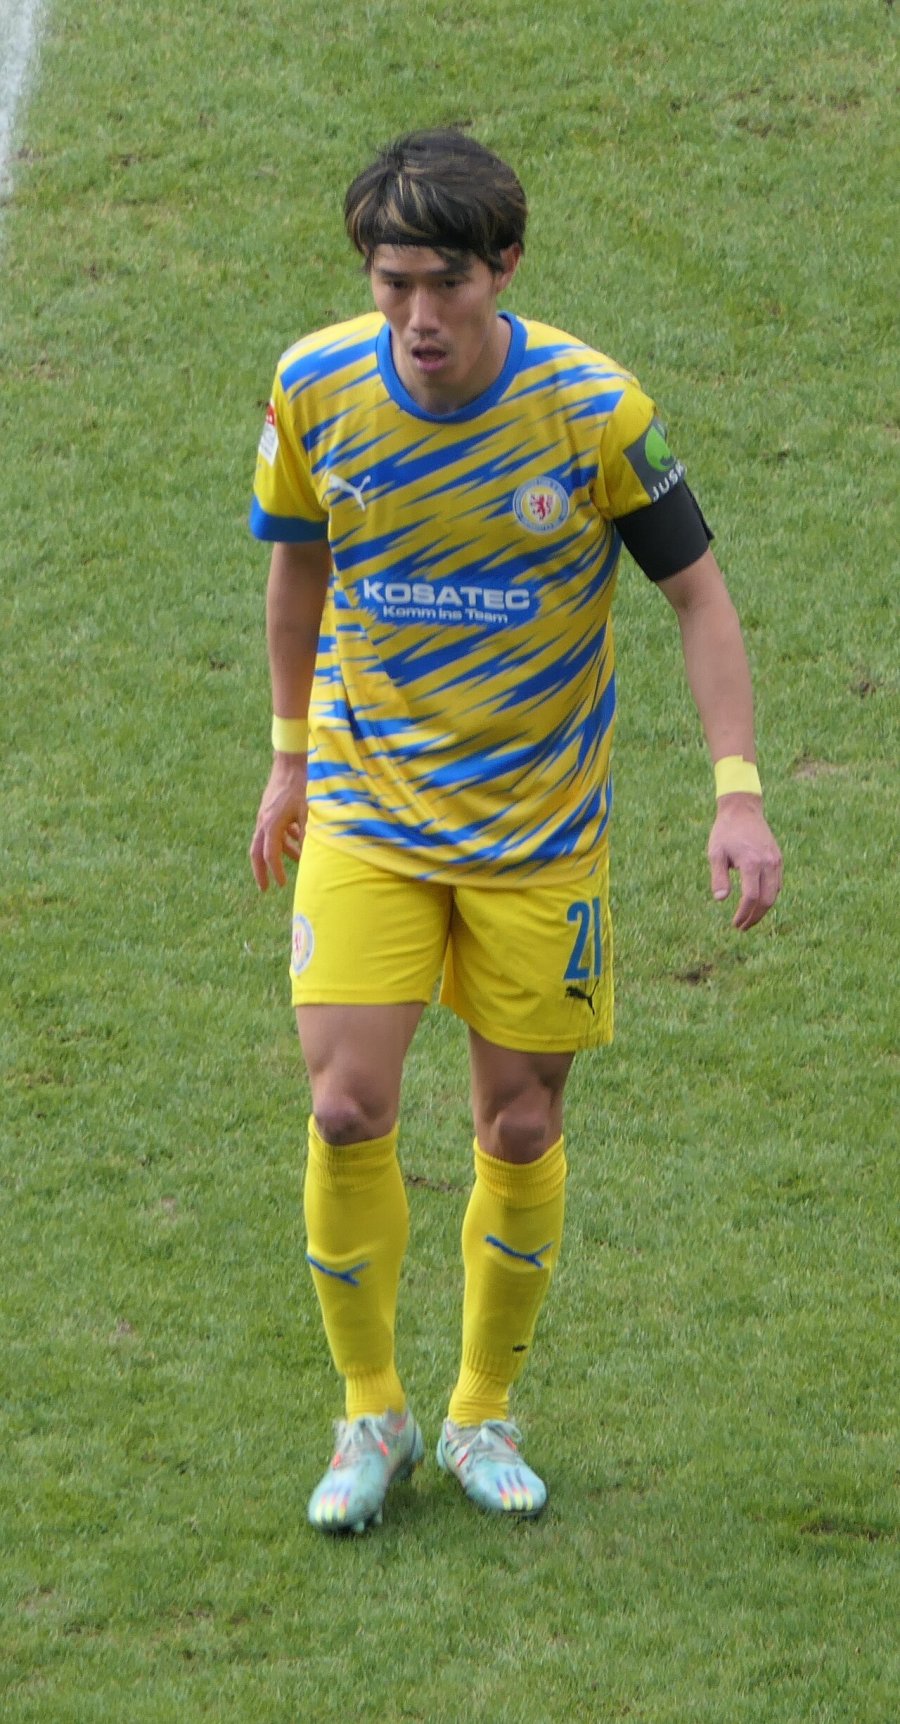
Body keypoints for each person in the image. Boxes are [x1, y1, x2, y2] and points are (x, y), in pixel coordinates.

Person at [248, 127, 782, 1534]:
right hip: (370, 812)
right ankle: (371, 1413)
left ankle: (483, 1411)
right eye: (393, 284)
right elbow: (298, 574)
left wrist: (736, 790)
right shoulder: (313, 389)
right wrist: (290, 760)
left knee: (522, 1122)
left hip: (539, 837)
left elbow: (699, 596)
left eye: (447, 284)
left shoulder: (593, 413)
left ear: (507, 268)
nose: (418, 316)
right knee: (344, 1106)